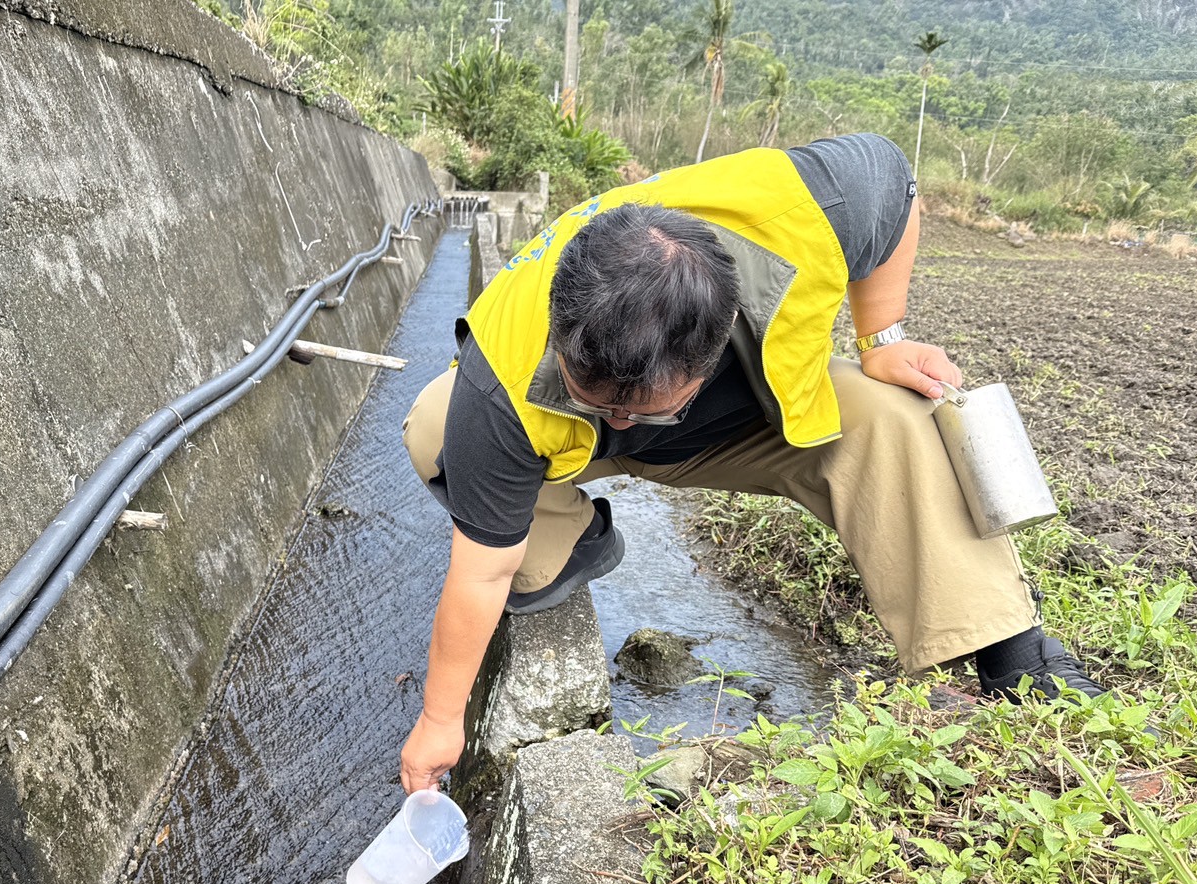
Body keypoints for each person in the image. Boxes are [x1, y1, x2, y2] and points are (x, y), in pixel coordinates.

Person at [397, 133, 1105, 795]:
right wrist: (438, 719)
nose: (621, 419)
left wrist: (881, 335)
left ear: (714, 339)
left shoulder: (812, 204)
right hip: (562, 448)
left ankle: (1014, 655)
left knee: (898, 415)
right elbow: (480, 571)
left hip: (739, 424)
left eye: (646, 407)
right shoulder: (501, 373)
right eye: (596, 398)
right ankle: (574, 541)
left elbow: (899, 187)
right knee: (435, 427)